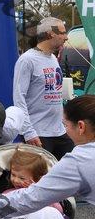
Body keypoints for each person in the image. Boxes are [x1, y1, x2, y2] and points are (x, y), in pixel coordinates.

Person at [0, 94, 95, 217]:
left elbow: (33, 198)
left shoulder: (78, 161)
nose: (65, 130)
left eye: (65, 125)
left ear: (81, 126)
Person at [13, 17, 73, 160]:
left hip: (59, 131)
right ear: (50, 34)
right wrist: (28, 132)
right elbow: (18, 98)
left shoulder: (52, 58)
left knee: (70, 169)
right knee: (41, 173)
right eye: (62, 33)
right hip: (38, 134)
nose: (66, 37)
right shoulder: (27, 60)